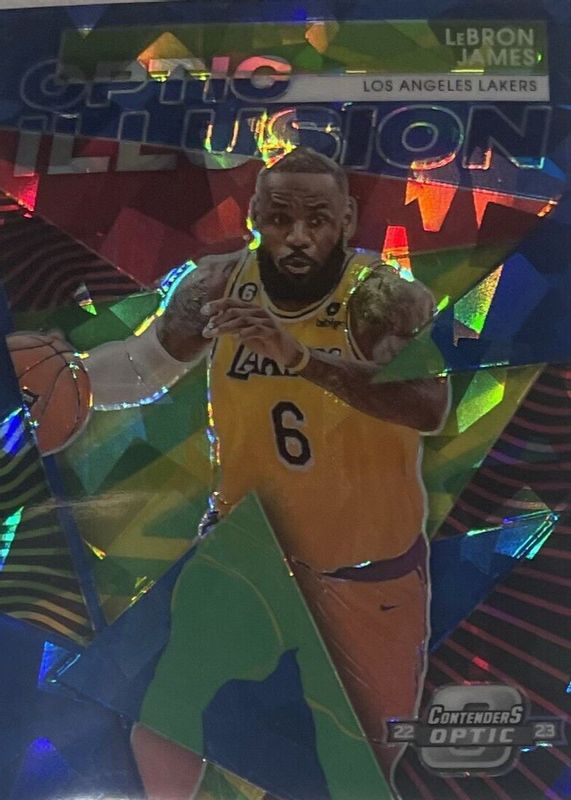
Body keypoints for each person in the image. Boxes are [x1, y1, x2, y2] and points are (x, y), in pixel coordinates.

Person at [84, 147, 450, 798]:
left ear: (347, 218)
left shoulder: (381, 298)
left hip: (366, 573)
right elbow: (143, 367)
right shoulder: (219, 285)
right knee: (162, 716)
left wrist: (299, 357)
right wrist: (63, 383)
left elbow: (428, 405)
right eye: (280, 217)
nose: (298, 235)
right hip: (246, 552)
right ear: (254, 215)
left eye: (317, 219)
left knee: (356, 771)